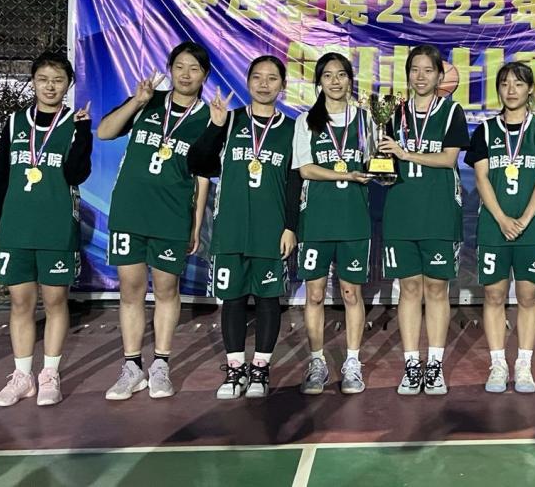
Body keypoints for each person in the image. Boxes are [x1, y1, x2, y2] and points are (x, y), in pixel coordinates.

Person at [97, 41, 212, 400]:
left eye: (194, 68)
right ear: (170, 69)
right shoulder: (148, 102)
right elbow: (104, 131)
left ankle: (161, 365)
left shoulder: (208, 118)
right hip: (130, 212)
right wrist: (136, 101)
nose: (186, 74)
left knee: (166, 289)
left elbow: (203, 177)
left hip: (171, 215)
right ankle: (132, 367)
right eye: (179, 66)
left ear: (205, 75)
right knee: (130, 289)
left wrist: (196, 224)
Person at [0, 51, 92, 406]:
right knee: (20, 302)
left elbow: (77, 174)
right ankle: (22, 377)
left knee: (56, 300)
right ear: (32, 81)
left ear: (68, 85)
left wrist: (84, 134)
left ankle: (49, 374)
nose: (50, 86)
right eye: (43, 79)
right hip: (16, 227)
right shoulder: (15, 122)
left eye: (58, 80)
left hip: (56, 227)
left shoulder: (74, 123)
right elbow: (1, 177)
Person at [188, 56, 299, 398]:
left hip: (271, 230)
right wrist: (215, 127)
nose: (264, 84)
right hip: (231, 228)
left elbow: (295, 183)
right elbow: (198, 162)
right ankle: (235, 370)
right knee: (233, 299)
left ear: (283, 86)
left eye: (272, 78)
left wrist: (290, 227)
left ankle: (261, 370)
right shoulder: (230, 119)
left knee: (268, 300)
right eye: (257, 77)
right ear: (247, 81)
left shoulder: (293, 128)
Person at [378, 44, 470, 395]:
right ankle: (411, 364)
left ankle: (435, 364)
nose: (420, 76)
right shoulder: (392, 113)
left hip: (439, 212)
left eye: (428, 70)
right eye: (414, 69)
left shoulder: (451, 111)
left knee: (436, 288)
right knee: (409, 289)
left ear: (439, 75)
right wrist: (381, 167)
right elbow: (384, 161)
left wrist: (406, 154)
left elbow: (448, 159)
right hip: (401, 211)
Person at [465, 62, 535, 393]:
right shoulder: (485, 131)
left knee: (528, 295)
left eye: (518, 84)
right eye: (505, 84)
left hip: (531, 225)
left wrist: (526, 219)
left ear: (530, 89)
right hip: (494, 224)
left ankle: (524, 364)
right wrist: (503, 219)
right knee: (493, 294)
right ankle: (497, 363)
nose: (511, 90)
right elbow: (481, 178)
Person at [292, 53, 373, 395]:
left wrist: (374, 169)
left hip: (353, 219)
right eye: (328, 75)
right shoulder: (306, 121)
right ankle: (317, 361)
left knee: (351, 293)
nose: (335, 81)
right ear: (319, 82)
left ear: (350, 80)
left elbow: (374, 161)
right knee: (314, 294)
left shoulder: (366, 119)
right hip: (316, 220)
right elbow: (305, 169)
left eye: (341, 75)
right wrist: (347, 175)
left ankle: (352, 361)